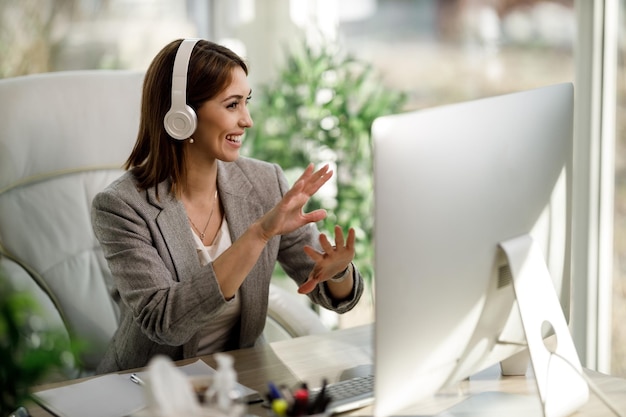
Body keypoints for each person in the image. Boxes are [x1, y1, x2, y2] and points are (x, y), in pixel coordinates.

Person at [91, 38, 364, 374]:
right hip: (147, 386)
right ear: (182, 116)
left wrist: (337, 271)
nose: (247, 120)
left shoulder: (264, 182)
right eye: (232, 105)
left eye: (247, 102)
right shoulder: (121, 207)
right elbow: (164, 321)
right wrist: (259, 234)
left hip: (241, 381)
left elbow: (328, 291)